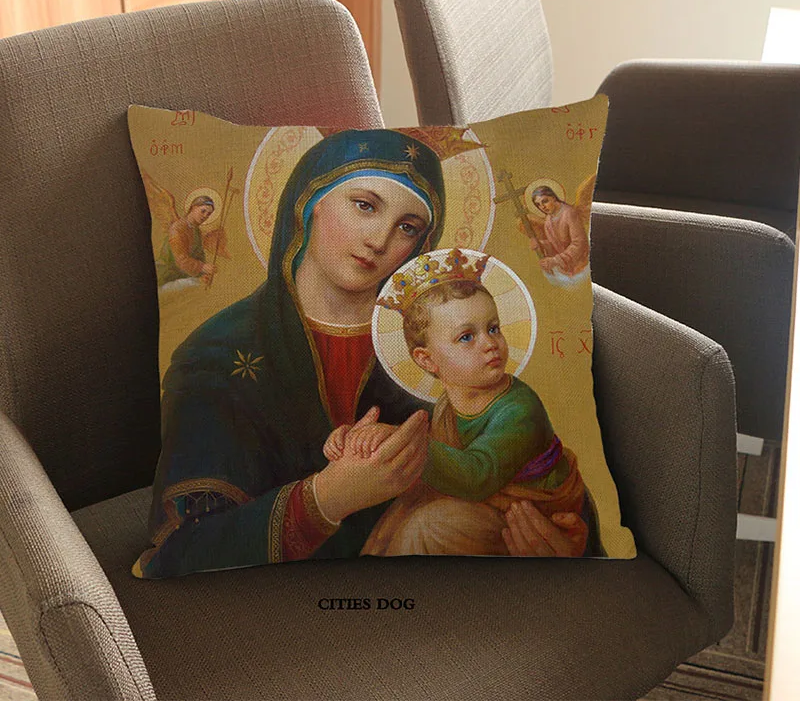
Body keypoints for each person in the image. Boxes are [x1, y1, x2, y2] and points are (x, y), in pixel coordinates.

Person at [133, 130, 589, 578]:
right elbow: (179, 549)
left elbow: (527, 468)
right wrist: (327, 498)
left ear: (420, 246)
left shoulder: (444, 352)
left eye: (407, 227)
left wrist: (564, 542)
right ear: (309, 202)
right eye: (365, 206)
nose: (379, 240)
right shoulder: (218, 353)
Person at [323, 252, 590, 556]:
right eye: (466, 337)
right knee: (401, 517)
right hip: (485, 508)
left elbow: (476, 476)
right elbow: (442, 461)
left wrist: (398, 440)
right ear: (426, 360)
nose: (490, 343)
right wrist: (359, 444)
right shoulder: (448, 406)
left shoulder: (520, 409)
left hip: (527, 518)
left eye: (493, 328)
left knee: (426, 526)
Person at [526, 185, 590, 285]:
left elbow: (579, 244)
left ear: (553, 197)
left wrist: (555, 260)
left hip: (583, 265)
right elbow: (555, 245)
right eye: (538, 205)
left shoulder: (569, 213)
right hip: (567, 269)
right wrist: (541, 244)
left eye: (545, 201)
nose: (542, 207)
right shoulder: (548, 220)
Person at [155, 195, 218, 289]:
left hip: (184, 275)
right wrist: (202, 267)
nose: (205, 216)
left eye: (208, 214)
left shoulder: (196, 231)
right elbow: (180, 259)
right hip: (167, 275)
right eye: (203, 211)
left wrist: (203, 274)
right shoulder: (177, 228)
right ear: (193, 208)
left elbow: (199, 255)